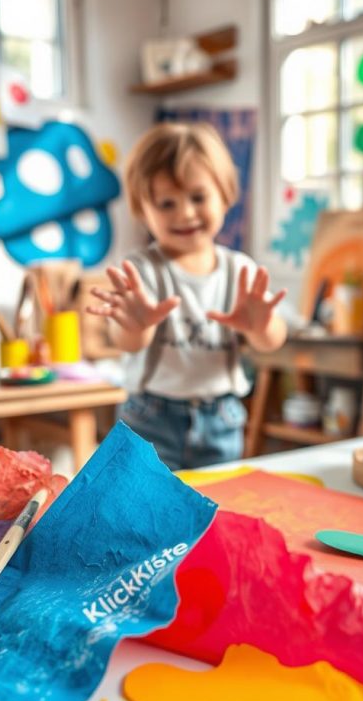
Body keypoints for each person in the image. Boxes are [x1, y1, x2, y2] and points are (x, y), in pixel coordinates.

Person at [86, 122, 287, 470]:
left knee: (213, 508)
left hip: (222, 419)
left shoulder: (240, 270)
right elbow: (129, 342)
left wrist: (262, 327)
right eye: (166, 203)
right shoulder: (141, 269)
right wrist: (136, 326)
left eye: (198, 197)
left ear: (225, 195)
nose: (185, 213)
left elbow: (272, 341)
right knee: (145, 511)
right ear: (142, 210)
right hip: (150, 418)